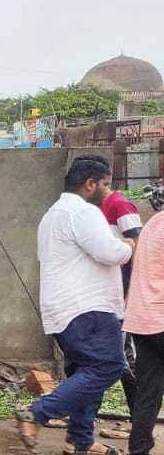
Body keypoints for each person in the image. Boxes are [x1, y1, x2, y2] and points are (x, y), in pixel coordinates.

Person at [16, 155, 132, 455]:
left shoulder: (53, 214)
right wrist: (129, 246)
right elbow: (110, 253)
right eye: (104, 185)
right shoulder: (83, 212)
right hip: (88, 307)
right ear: (90, 183)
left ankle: (80, 439)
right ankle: (38, 413)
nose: (107, 192)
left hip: (63, 310)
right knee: (108, 366)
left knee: (85, 371)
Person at [118, 186, 164, 455]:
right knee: (149, 389)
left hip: (143, 319)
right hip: (160, 315)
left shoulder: (154, 224)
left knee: (148, 390)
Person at [99, 177, 145, 440]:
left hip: (123, 294)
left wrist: (132, 291)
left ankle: (138, 422)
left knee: (126, 358)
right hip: (110, 294)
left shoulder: (121, 206)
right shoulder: (98, 210)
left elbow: (139, 247)